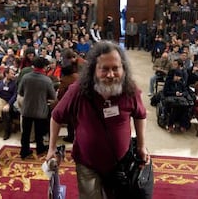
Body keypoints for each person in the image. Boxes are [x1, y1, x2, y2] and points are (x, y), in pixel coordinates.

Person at [46, 42, 152, 199]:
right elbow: (56, 116)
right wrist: (51, 148)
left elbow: (140, 115)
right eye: (104, 69)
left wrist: (142, 146)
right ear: (94, 70)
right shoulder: (78, 91)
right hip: (87, 164)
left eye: (115, 68)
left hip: (120, 163)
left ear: (123, 69)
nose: (110, 74)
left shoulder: (130, 90)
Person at [18, 57, 56, 158]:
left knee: (25, 133)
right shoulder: (46, 80)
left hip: (27, 109)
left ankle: (24, 151)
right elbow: (53, 96)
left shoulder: (26, 77)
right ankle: (40, 148)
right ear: (44, 67)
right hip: (40, 110)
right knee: (39, 133)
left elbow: (21, 92)